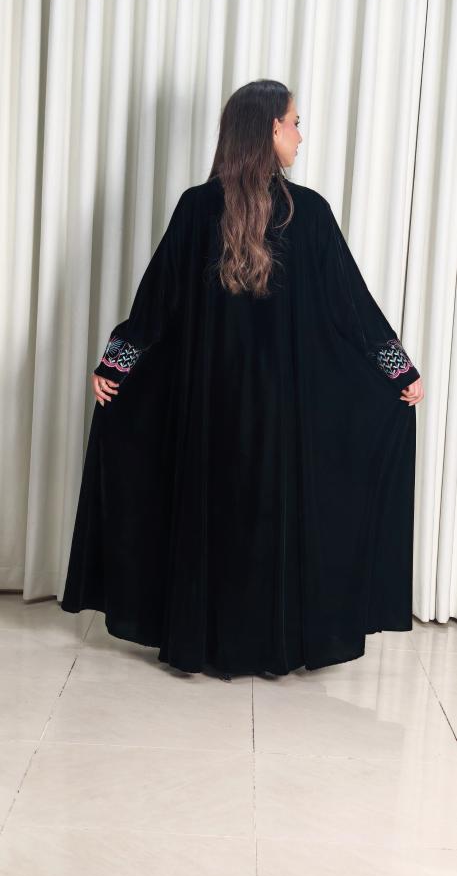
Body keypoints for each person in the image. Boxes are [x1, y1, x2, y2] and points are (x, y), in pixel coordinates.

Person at [61, 79, 424, 681]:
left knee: (215, 515)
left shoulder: (199, 207)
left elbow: (155, 305)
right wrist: (398, 371)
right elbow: (352, 310)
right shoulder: (306, 213)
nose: (301, 136)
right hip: (283, 410)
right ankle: (273, 643)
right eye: (294, 123)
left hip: (210, 404)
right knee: (272, 520)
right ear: (270, 129)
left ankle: (206, 640)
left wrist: (115, 364)